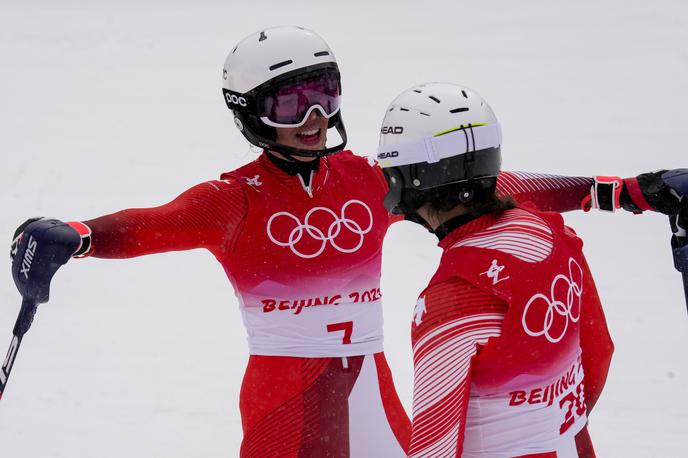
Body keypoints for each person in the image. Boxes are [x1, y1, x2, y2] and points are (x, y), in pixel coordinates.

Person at [8, 27, 684, 457]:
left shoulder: (368, 179)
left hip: (370, 382)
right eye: (288, 103)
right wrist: (82, 235)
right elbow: (154, 223)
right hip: (287, 397)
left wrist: (625, 191)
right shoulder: (233, 202)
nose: (312, 118)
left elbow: (490, 185)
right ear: (247, 111)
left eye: (324, 93)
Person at [374, 82, 686, 457]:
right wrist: (626, 192)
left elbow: (434, 445)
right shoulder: (553, 236)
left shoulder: (453, 299)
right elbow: (598, 350)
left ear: (406, 180)